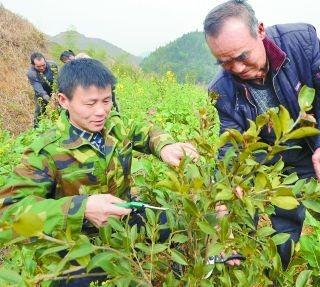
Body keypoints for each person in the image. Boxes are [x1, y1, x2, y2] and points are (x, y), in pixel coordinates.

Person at [0, 58, 199, 285]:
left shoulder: (114, 126)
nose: (101, 111)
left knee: (177, 223)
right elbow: (6, 215)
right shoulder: (46, 152)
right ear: (64, 100)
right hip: (76, 243)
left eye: (106, 101)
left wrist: (164, 145)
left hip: (122, 221)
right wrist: (81, 208)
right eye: (90, 103)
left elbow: (143, 131)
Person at [204, 0, 320, 269]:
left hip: (307, 150)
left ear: (260, 31)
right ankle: (238, 265)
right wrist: (225, 195)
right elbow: (231, 143)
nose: (237, 68)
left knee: (286, 224)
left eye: (242, 56)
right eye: (224, 62)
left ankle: (276, 269)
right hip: (265, 160)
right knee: (240, 213)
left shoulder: (300, 42)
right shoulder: (222, 89)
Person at [27, 52, 59, 128]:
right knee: (39, 113)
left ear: (45, 61)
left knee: (61, 109)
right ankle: (36, 131)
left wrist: (57, 93)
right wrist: (50, 101)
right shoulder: (31, 73)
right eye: (38, 66)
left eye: (43, 65)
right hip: (41, 95)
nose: (42, 68)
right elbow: (38, 88)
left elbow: (58, 78)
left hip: (55, 91)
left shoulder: (52, 65)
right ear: (33, 65)